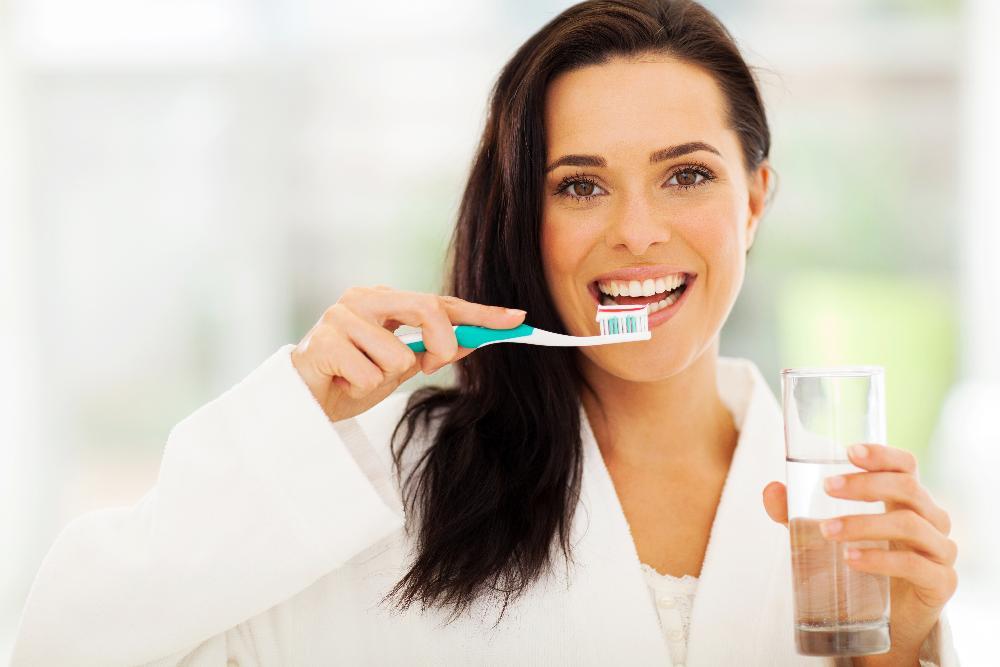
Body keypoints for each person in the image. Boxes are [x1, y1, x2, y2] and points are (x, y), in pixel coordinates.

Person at [11, 1, 960, 665]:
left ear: (754, 200)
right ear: (524, 218)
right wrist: (295, 421)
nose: (636, 230)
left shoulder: (840, 519)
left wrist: (902, 650)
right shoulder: (381, 482)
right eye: (580, 184)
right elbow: (61, 646)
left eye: (687, 175)